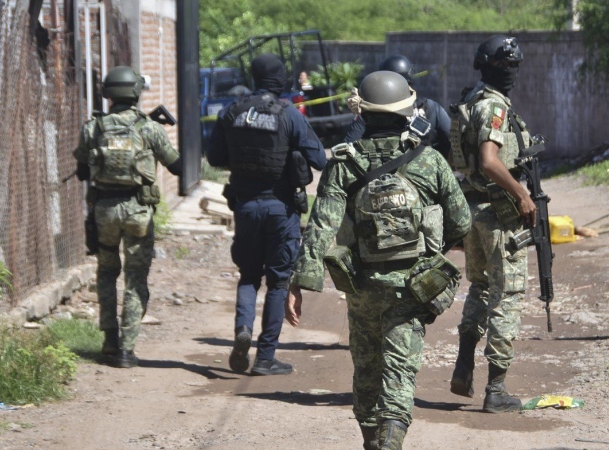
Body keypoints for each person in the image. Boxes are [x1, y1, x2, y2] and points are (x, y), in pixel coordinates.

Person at [285, 71, 470, 449]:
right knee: (400, 372)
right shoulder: (430, 160)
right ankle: (390, 442)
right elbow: (462, 222)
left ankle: (373, 440)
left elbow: (321, 225)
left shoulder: (344, 162)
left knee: (367, 370)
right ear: (407, 111)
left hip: (362, 287)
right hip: (413, 286)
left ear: (363, 113)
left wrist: (300, 283)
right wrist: (432, 251)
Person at [207, 53, 327, 376]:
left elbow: (215, 155)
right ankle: (265, 357)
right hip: (281, 209)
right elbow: (319, 158)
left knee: (248, 275)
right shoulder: (289, 114)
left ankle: (242, 329)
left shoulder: (232, 111)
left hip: (245, 206)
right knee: (278, 282)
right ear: (281, 79)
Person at [72, 66, 182, 368]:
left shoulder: (93, 128)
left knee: (106, 274)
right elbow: (177, 167)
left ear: (108, 94)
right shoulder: (149, 128)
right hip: (138, 213)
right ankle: (127, 349)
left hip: (104, 211)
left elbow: (82, 169)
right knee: (136, 279)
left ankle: (109, 341)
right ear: (135, 92)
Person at [448, 35, 536, 413]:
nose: (512, 73)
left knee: (481, 288)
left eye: (514, 66)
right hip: (498, 214)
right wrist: (521, 193)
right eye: (507, 67)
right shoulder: (494, 107)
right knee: (507, 294)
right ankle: (495, 389)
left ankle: (464, 365)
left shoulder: (471, 100)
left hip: (472, 210)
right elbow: (488, 160)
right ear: (491, 67)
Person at [344, 55, 452, 159]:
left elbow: (349, 147)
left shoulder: (371, 108)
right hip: (425, 170)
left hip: (376, 170)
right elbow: (451, 141)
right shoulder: (432, 107)